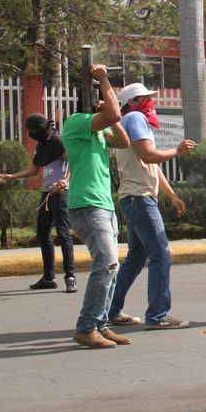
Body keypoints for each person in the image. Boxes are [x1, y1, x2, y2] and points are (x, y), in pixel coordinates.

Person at [106, 83, 195, 330]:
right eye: (146, 98)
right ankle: (157, 315)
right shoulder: (135, 118)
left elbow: (150, 164)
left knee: (136, 258)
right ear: (132, 102)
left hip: (134, 198)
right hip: (140, 199)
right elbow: (148, 156)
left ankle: (111, 309)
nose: (151, 102)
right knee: (161, 256)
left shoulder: (128, 121)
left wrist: (171, 195)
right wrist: (176, 152)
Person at [64, 64, 131, 349]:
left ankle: (101, 325)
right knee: (106, 263)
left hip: (103, 204)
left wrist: (109, 115)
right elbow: (115, 113)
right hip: (87, 205)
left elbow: (124, 140)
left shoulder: (99, 130)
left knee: (111, 266)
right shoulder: (76, 122)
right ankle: (87, 326)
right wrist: (104, 80)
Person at [0, 113, 77, 293]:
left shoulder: (58, 142)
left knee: (63, 233)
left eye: (33, 130)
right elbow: (34, 169)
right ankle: (48, 277)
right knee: (42, 232)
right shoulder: (42, 145)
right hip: (46, 193)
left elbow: (74, 162)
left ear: (42, 128)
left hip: (60, 193)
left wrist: (66, 181)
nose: (31, 134)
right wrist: (10, 177)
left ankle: (70, 276)